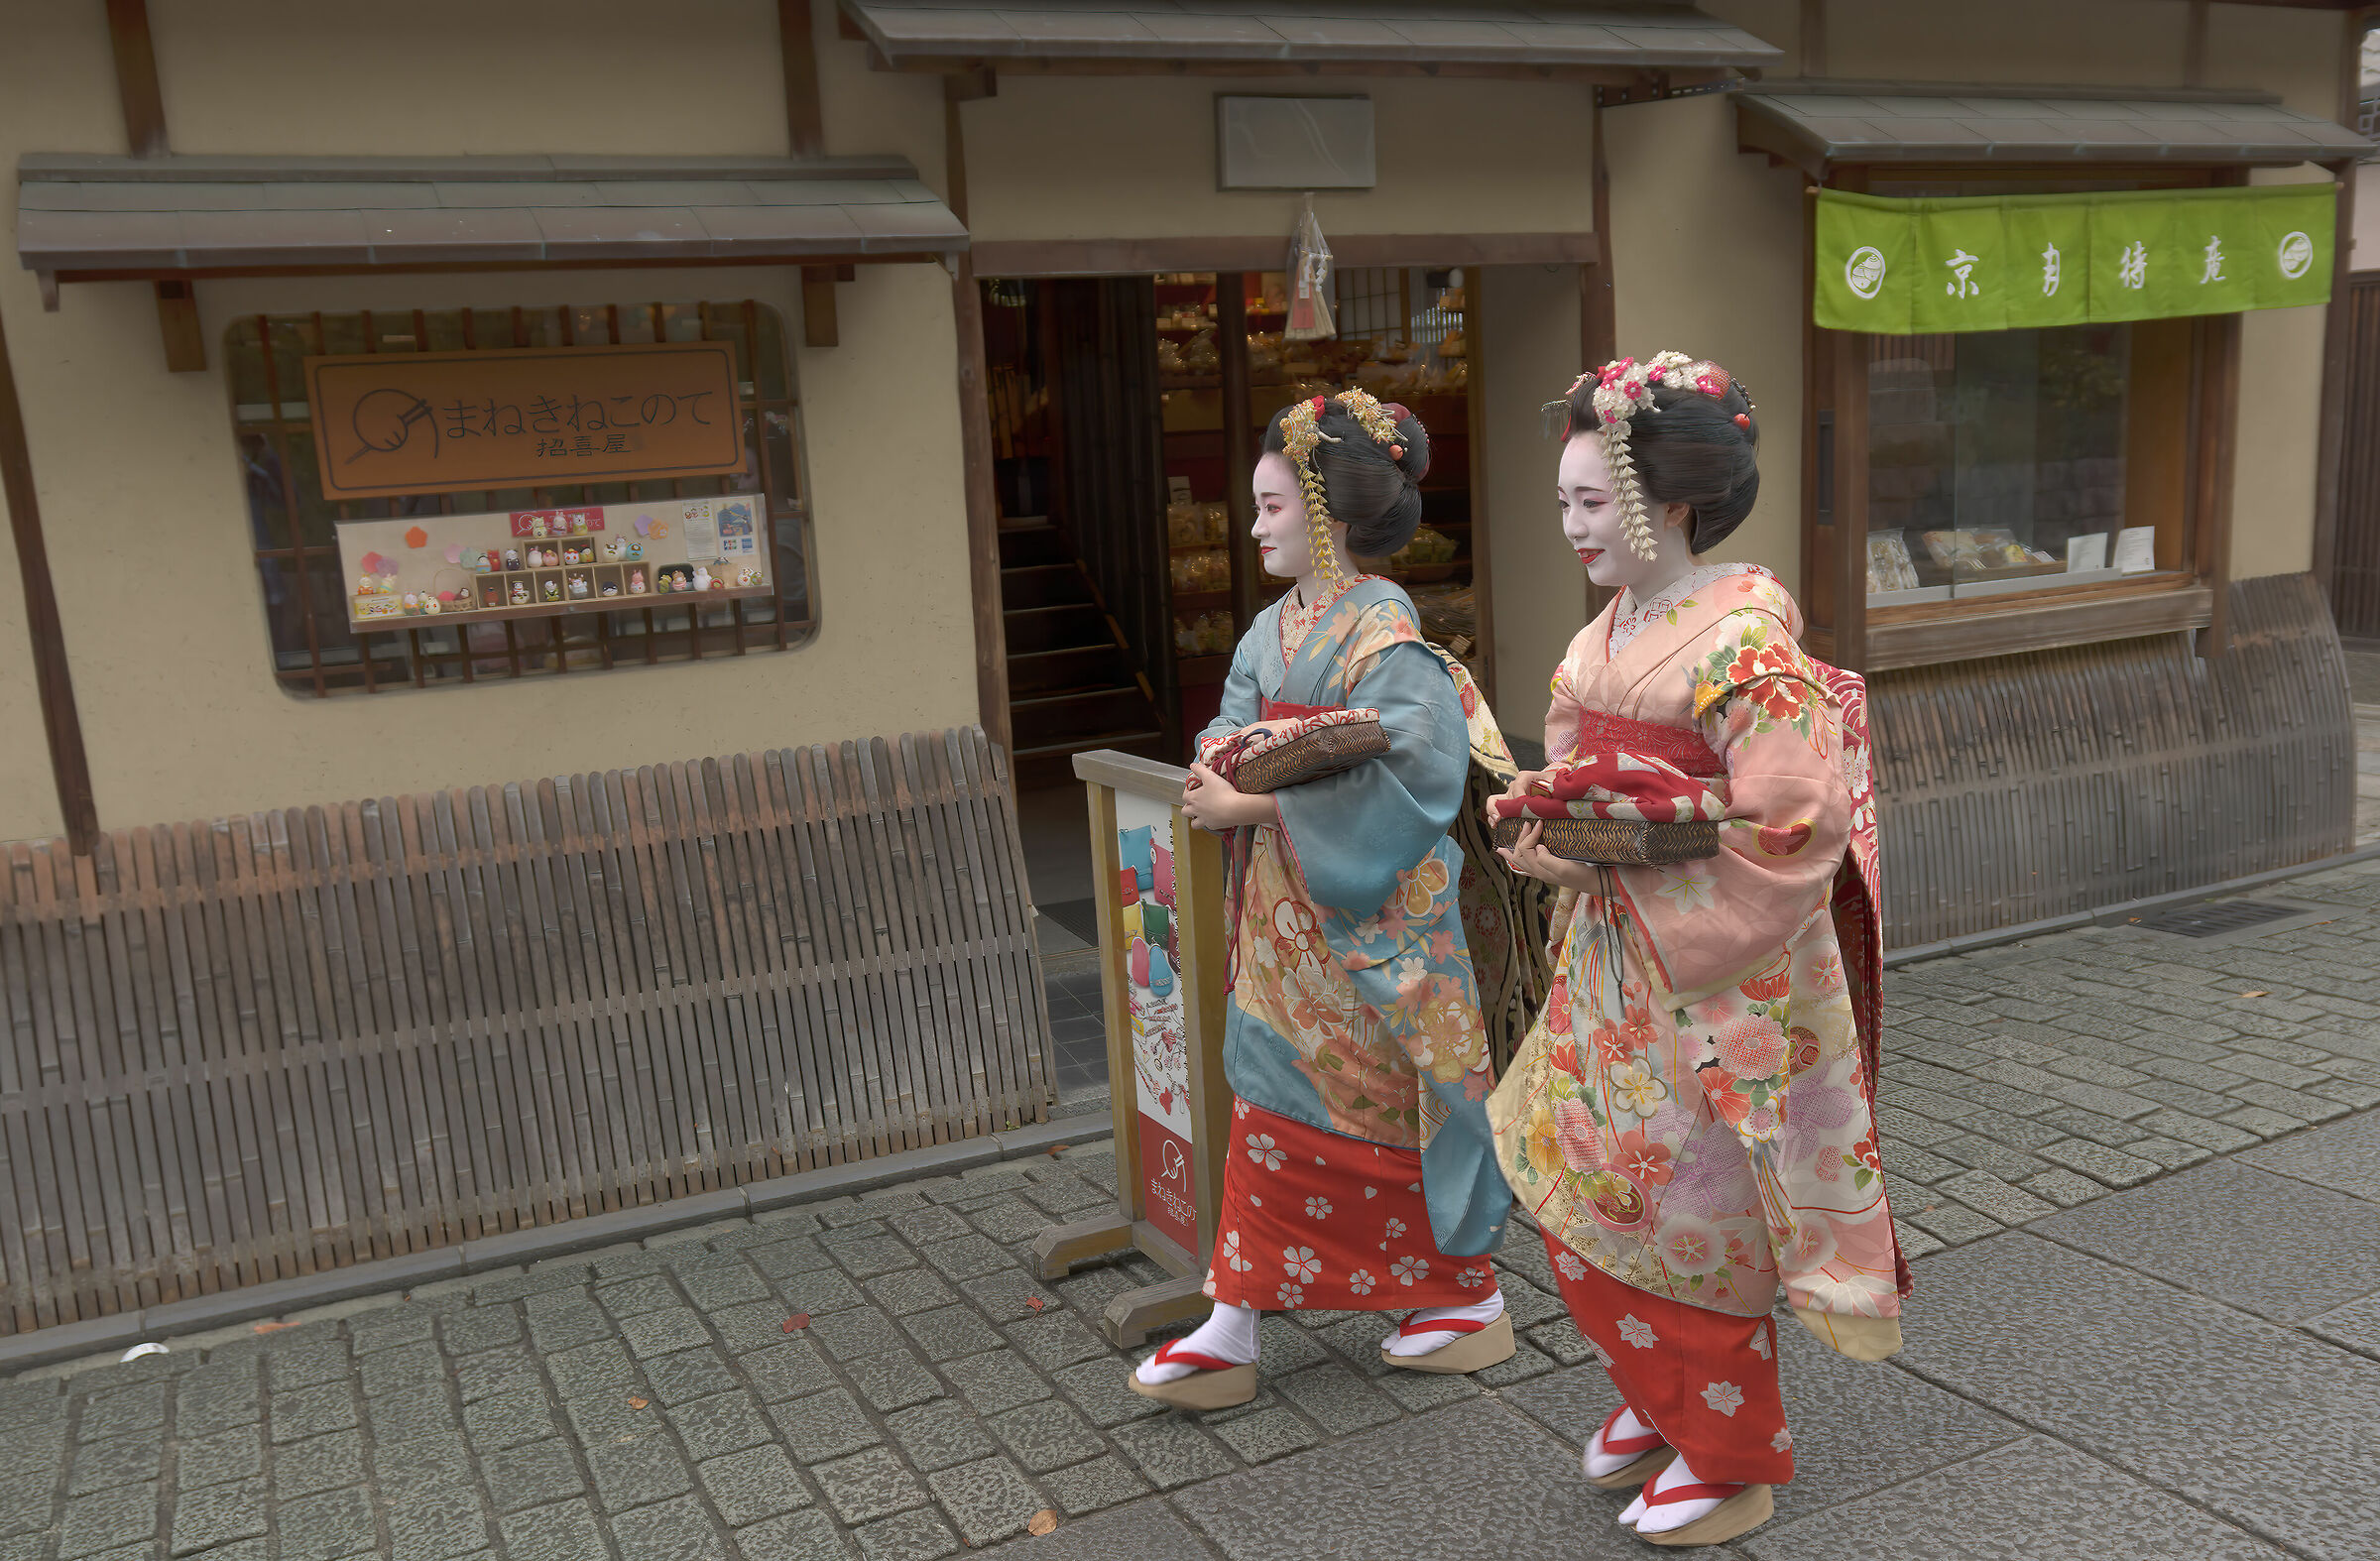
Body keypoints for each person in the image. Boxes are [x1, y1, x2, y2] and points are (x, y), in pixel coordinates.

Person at [1488, 353, 1910, 1549]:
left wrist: (1630, 859)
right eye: (1562, 501)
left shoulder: (1743, 645)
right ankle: (1655, 1392)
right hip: (1614, 954)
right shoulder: (1607, 632)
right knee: (1580, 1186)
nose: (1567, 525)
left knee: (1693, 1213)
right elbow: (1571, 769)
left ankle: (1729, 1455)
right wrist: (1556, 843)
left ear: (1666, 503)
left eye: (1585, 502)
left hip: (1716, 976)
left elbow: (1792, 828)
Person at [1127, 389, 1521, 1409]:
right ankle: (1237, 1313)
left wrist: (1258, 804)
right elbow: (1228, 721)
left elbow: (1418, 785)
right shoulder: (1272, 629)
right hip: (1282, 919)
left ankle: (1461, 1295)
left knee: (1387, 1097)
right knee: (1269, 1092)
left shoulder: (1389, 643)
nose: (1254, 527)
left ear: (1325, 510)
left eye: (1268, 506)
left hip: (1372, 919)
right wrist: (1227, 758)